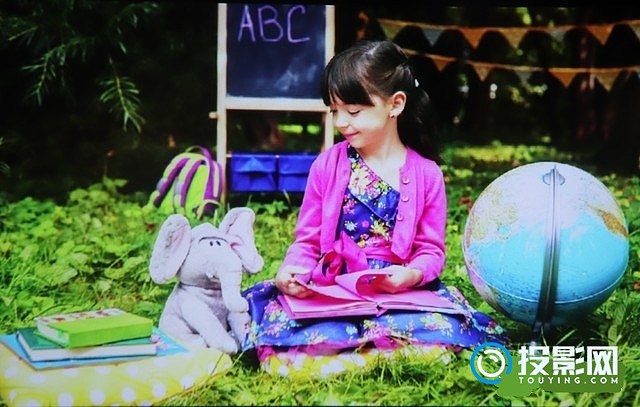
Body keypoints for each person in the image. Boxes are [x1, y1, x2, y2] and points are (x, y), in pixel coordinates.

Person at [242, 40, 507, 377]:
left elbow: (430, 251)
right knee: (288, 324)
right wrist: (292, 269)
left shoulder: (427, 175)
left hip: (398, 292)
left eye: (353, 111)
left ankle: (346, 358)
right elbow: (307, 241)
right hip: (333, 287)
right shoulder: (326, 166)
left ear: (395, 104)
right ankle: (368, 353)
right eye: (334, 110)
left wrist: (411, 275)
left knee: (436, 330)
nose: (341, 122)